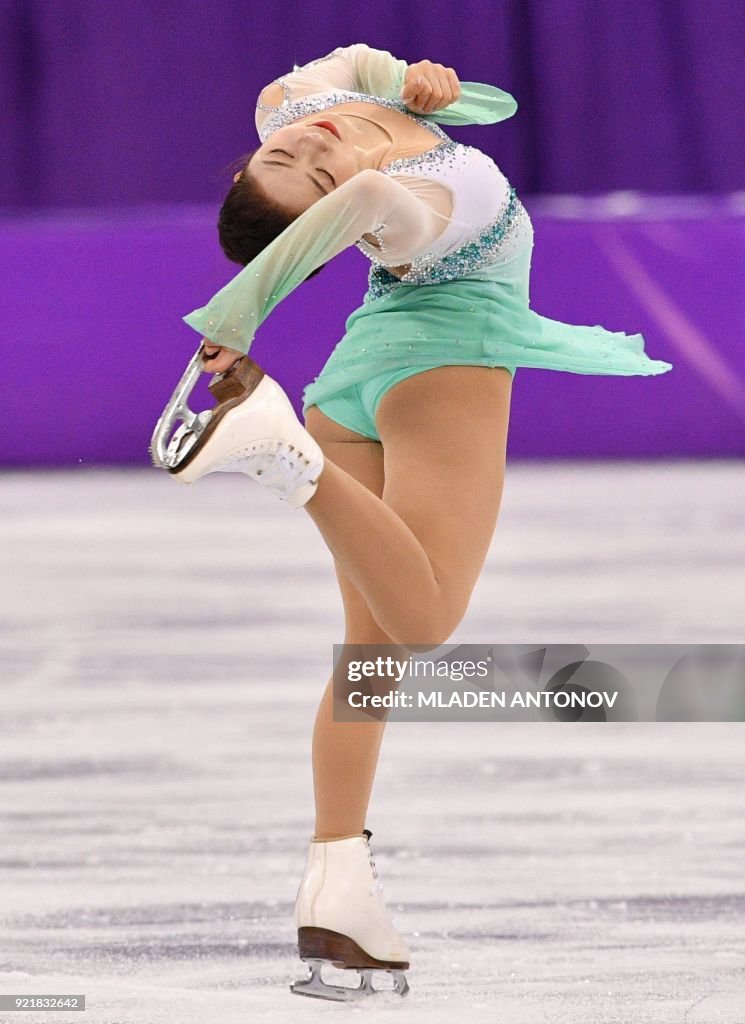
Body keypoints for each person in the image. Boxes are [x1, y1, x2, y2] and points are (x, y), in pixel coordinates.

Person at [150, 43, 673, 1000]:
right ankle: (280, 451)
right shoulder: (415, 198)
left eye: (289, 158)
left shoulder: (289, 105)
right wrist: (238, 312)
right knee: (425, 626)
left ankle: (336, 896)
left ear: (248, 154)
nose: (313, 149)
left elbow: (349, 63)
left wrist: (397, 79)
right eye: (310, 175)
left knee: (370, 664)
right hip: (443, 366)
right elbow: (359, 206)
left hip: (355, 376)